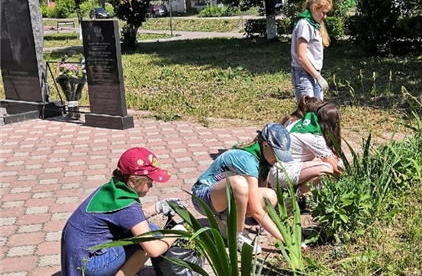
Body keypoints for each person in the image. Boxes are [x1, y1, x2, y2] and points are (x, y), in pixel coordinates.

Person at [61, 147, 184, 276]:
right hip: (89, 265)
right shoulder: (128, 206)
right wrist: (177, 232)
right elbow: (154, 250)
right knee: (154, 234)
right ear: (132, 182)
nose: (152, 185)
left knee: (147, 230)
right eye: (149, 181)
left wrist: (157, 207)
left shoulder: (112, 189)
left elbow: (127, 218)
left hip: (76, 261)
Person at [191, 123, 294, 254]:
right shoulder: (247, 159)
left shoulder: (264, 160)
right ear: (265, 146)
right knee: (239, 184)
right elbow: (256, 210)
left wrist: (263, 224)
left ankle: (225, 222)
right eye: (277, 154)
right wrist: (285, 240)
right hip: (203, 198)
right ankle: (237, 234)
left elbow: (259, 200)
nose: (279, 160)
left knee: (270, 196)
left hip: (222, 201)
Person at [269, 96, 343, 196]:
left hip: (274, 169)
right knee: (327, 168)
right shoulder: (314, 137)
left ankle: (294, 190)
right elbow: (336, 169)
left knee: (319, 161)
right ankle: (298, 198)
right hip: (281, 174)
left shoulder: (298, 124)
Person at [291, 0, 334, 102]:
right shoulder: (304, 25)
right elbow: (301, 56)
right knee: (307, 114)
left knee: (317, 112)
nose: (325, 16)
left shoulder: (313, 24)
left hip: (313, 73)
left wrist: (317, 75)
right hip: (304, 74)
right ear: (314, 8)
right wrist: (318, 77)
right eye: (323, 13)